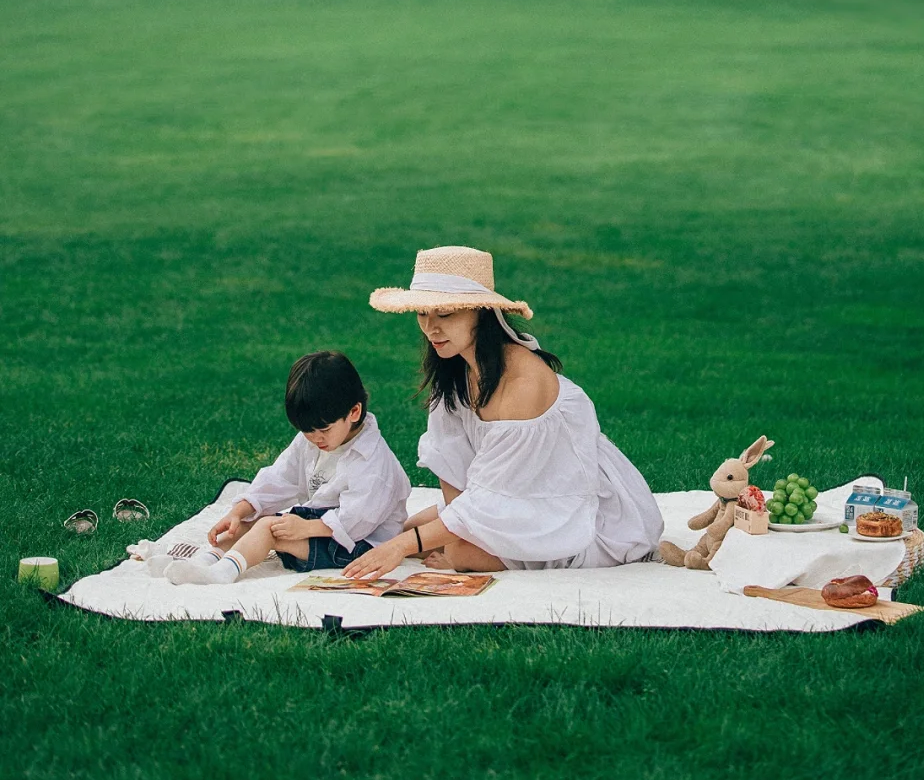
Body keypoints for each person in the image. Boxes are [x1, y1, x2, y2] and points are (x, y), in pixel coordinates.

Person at [344, 246, 663, 579]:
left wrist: (421, 547)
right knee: (410, 530)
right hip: (512, 494)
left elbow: (487, 498)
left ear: (481, 312)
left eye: (445, 314)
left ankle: (496, 552)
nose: (430, 328)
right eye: (422, 313)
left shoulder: (522, 384)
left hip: (570, 507)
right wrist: (440, 532)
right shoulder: (456, 368)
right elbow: (449, 457)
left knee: (441, 547)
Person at [164, 351, 411, 585]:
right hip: (323, 523)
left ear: (354, 412)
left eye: (324, 430)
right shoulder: (314, 440)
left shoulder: (374, 463)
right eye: (306, 431)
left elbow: (357, 521)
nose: (316, 439)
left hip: (361, 544)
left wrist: (304, 528)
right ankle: (204, 562)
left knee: (268, 528)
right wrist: (238, 512)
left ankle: (222, 574)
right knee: (251, 520)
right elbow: (280, 478)